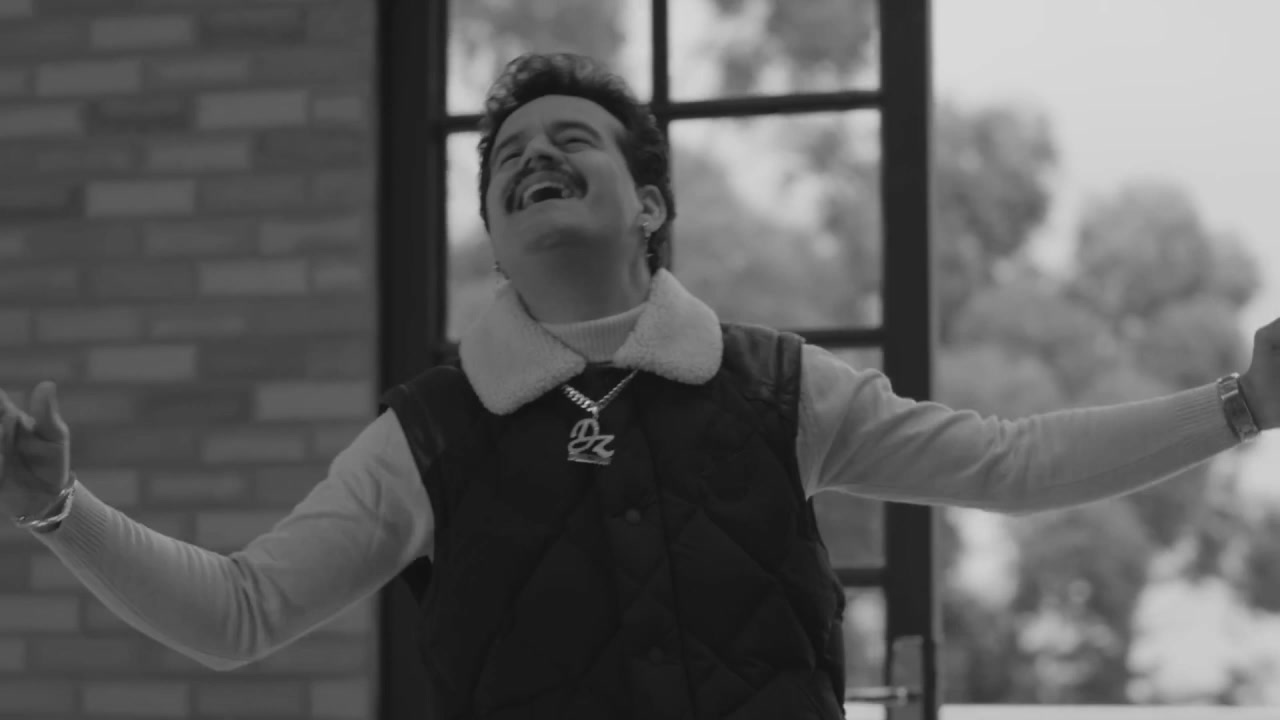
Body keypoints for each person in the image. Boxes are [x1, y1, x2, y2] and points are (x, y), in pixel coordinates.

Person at [1, 52, 1277, 719]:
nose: (531, 156)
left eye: (571, 139)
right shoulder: (424, 438)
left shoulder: (780, 389)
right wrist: (60, 509)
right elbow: (240, 613)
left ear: (649, 205)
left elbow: (1012, 462)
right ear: (496, 235)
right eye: (506, 155)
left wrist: (1242, 404)